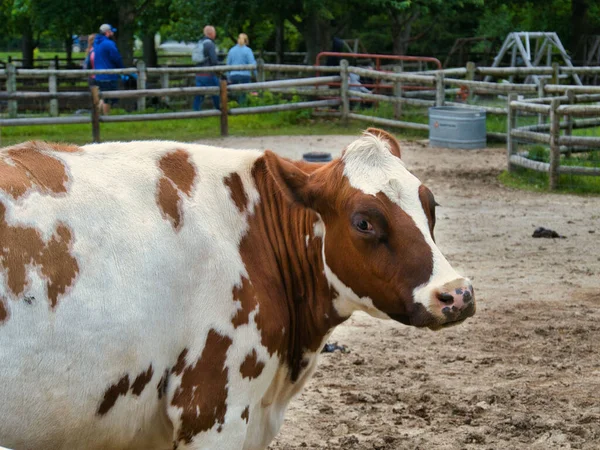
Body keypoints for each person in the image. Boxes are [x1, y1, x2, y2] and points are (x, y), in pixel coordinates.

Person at [94, 24, 124, 115]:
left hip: (99, 75)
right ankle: (106, 117)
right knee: (108, 98)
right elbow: (116, 58)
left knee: (103, 97)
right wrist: (122, 69)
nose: (113, 33)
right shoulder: (109, 44)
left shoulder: (96, 43)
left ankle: (97, 115)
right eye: (111, 31)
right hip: (109, 74)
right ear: (107, 32)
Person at [193, 25, 220, 111]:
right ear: (211, 33)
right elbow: (214, 60)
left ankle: (196, 111)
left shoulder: (200, 43)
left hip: (199, 73)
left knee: (199, 93)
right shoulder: (210, 44)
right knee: (216, 91)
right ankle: (219, 109)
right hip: (208, 73)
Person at [226, 33, 257, 106]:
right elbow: (252, 64)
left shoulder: (231, 50)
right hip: (245, 75)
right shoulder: (248, 50)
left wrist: (228, 77)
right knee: (243, 94)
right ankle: (242, 108)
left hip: (233, 75)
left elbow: (228, 65)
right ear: (246, 41)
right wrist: (256, 75)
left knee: (234, 94)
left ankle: (234, 108)